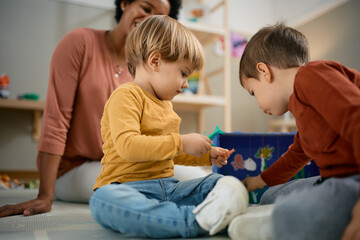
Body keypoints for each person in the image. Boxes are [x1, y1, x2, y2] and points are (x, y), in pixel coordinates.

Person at [0, 0, 187, 218]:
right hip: (71, 171)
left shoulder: (146, 69)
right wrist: (44, 195)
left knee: (189, 175)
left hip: (119, 162)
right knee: (160, 183)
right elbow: (56, 121)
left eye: (156, 19)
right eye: (146, 9)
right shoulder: (80, 42)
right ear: (125, 3)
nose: (147, 21)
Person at [89, 15, 249, 238]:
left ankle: (194, 214)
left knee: (218, 182)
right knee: (102, 201)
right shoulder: (125, 96)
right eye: (183, 73)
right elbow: (128, 146)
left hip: (169, 189)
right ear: (155, 61)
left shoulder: (166, 107)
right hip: (127, 187)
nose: (185, 84)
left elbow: (170, 154)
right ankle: (191, 220)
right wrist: (182, 141)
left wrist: (206, 157)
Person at [227, 23, 360, 240]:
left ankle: (272, 227)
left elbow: (356, 118)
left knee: (289, 213)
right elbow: (297, 153)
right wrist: (259, 180)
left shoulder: (311, 76)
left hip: (353, 180)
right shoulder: (301, 104)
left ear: (264, 72)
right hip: (334, 180)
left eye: (253, 92)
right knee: (269, 196)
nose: (258, 103)